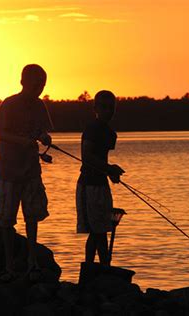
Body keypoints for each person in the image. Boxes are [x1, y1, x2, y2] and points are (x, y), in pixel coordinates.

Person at [0, 64, 53, 281]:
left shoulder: (40, 106)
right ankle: (9, 265)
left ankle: (32, 262)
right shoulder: (9, 104)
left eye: (42, 84)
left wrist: (44, 137)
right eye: (36, 83)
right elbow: (2, 134)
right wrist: (24, 141)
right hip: (9, 170)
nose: (39, 88)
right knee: (6, 219)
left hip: (30, 171)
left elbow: (43, 130)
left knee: (32, 216)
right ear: (23, 82)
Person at [76, 90, 125, 266]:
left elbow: (101, 159)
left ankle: (101, 267)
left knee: (101, 229)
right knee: (97, 231)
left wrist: (110, 173)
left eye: (111, 108)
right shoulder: (91, 129)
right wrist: (109, 169)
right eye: (103, 107)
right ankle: (97, 267)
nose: (108, 111)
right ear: (95, 108)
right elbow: (87, 156)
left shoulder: (111, 134)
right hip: (88, 185)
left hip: (101, 184)